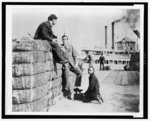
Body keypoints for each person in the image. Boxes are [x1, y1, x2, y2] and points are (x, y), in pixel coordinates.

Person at [61, 35, 82, 100]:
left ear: (67, 40)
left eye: (65, 39)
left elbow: (75, 56)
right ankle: (68, 92)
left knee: (80, 73)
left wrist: (76, 64)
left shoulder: (71, 46)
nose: (64, 40)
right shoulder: (60, 46)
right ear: (62, 40)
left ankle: (76, 86)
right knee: (67, 78)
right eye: (63, 39)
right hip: (66, 64)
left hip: (72, 64)